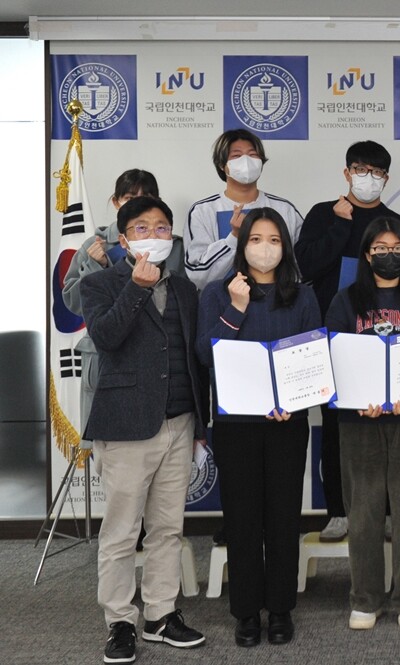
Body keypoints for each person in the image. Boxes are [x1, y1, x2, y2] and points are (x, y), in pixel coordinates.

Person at [79, 196, 207, 664]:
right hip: (126, 426)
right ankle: (119, 620)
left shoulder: (186, 289)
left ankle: (160, 614)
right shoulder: (98, 284)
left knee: (168, 528)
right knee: (120, 532)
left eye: (161, 227)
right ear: (124, 238)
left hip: (180, 422)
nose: (153, 235)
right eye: (142, 227)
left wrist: (200, 424)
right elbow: (107, 338)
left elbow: (192, 359)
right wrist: (135, 287)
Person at [196, 208, 320, 648]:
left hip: (287, 423)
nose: (264, 248)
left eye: (273, 240)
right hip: (236, 425)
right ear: (242, 244)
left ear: (285, 247)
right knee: (243, 518)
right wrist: (237, 308)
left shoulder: (302, 296)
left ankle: (281, 608)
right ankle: (246, 612)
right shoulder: (217, 293)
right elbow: (206, 355)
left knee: (283, 517)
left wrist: (294, 401)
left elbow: (312, 357)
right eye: (255, 239)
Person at [326, 218, 400, 630]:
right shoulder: (345, 300)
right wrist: (359, 399)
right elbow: (335, 357)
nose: (389, 255)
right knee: (364, 510)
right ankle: (365, 598)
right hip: (359, 419)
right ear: (367, 253)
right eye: (380, 248)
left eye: (397, 248)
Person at [296, 140, 400, 544]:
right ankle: (338, 511)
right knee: (336, 428)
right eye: (360, 170)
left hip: (384, 336)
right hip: (333, 336)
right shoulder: (323, 214)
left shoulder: (394, 221)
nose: (368, 178)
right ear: (347, 173)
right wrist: (341, 225)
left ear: (386, 178)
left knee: (388, 425)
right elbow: (305, 266)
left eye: (376, 172)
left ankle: (389, 512)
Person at [63, 170, 176, 437]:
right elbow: (72, 303)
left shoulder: (168, 243)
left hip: (155, 354)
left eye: (147, 196)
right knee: (109, 435)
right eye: (130, 196)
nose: (138, 201)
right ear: (116, 201)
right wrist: (96, 266)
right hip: (107, 355)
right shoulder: (94, 245)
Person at [185, 129, 303, 291]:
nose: (246, 160)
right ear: (222, 165)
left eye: (252, 155)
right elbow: (198, 276)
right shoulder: (203, 211)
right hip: (222, 302)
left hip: (278, 300)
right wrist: (234, 237)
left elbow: (300, 267)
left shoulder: (284, 209)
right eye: (236, 156)